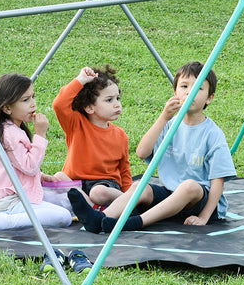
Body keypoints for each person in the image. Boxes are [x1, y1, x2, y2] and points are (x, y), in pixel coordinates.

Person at [69, 61, 234, 234]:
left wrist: (204, 216)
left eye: (198, 88)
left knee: (189, 186)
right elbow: (142, 152)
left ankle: (135, 222)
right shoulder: (170, 125)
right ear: (175, 92)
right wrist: (164, 117)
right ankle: (101, 219)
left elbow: (217, 183)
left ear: (209, 97)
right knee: (141, 187)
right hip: (170, 196)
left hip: (198, 202)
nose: (189, 92)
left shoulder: (212, 134)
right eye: (184, 86)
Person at [0, 73, 72, 231]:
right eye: (25, 100)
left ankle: (14, 217)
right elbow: (29, 166)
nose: (33, 104)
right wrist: (40, 135)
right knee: (64, 217)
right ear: (7, 108)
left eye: (33, 97)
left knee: (67, 201)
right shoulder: (9, 134)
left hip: (18, 196)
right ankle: (4, 222)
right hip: (8, 203)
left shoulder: (13, 128)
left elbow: (18, 164)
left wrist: (40, 176)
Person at [52, 65, 133, 207]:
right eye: (109, 100)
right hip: (76, 184)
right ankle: (91, 207)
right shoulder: (75, 124)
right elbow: (59, 104)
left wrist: (128, 193)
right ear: (89, 107)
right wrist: (81, 80)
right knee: (58, 177)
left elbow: (124, 171)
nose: (117, 105)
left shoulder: (120, 135)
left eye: (118, 98)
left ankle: (129, 202)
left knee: (98, 193)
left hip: (105, 184)